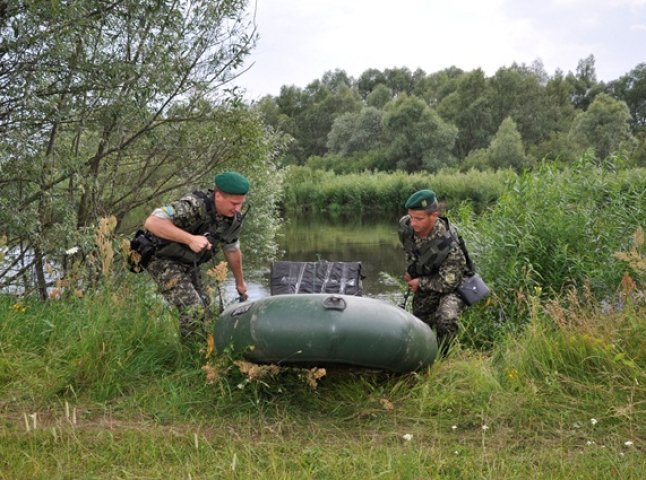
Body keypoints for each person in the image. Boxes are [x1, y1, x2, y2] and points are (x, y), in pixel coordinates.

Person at [142, 171, 250, 341]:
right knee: (193, 309)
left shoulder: (232, 219)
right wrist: (190, 239)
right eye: (234, 204)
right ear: (218, 196)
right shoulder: (194, 205)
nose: (237, 209)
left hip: (188, 262)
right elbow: (152, 221)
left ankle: (206, 352)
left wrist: (240, 283)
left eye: (241, 204)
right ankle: (190, 358)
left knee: (206, 307)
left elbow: (232, 249)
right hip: (162, 259)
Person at [398, 189, 468, 352]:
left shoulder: (448, 244)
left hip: (454, 286)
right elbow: (409, 250)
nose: (413, 223)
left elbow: (449, 282)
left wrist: (420, 282)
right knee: (419, 325)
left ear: (434, 215)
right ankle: (423, 355)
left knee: (446, 319)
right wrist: (412, 270)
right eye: (411, 217)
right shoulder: (405, 226)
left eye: (419, 219)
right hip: (428, 279)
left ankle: (445, 356)